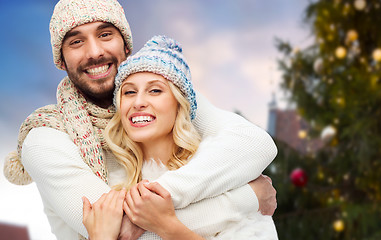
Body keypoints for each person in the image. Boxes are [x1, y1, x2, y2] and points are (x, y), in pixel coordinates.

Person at [3, 0, 277, 239]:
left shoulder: (165, 95)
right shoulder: (46, 137)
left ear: (126, 45)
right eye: (76, 41)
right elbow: (122, 231)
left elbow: (255, 144)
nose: (95, 51)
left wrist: (158, 199)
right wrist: (248, 197)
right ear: (61, 60)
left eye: (105, 34)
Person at [82, 35, 278, 239]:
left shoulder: (221, 174)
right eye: (129, 92)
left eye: (155, 90)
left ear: (179, 105)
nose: (138, 102)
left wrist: (168, 226)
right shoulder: (110, 189)